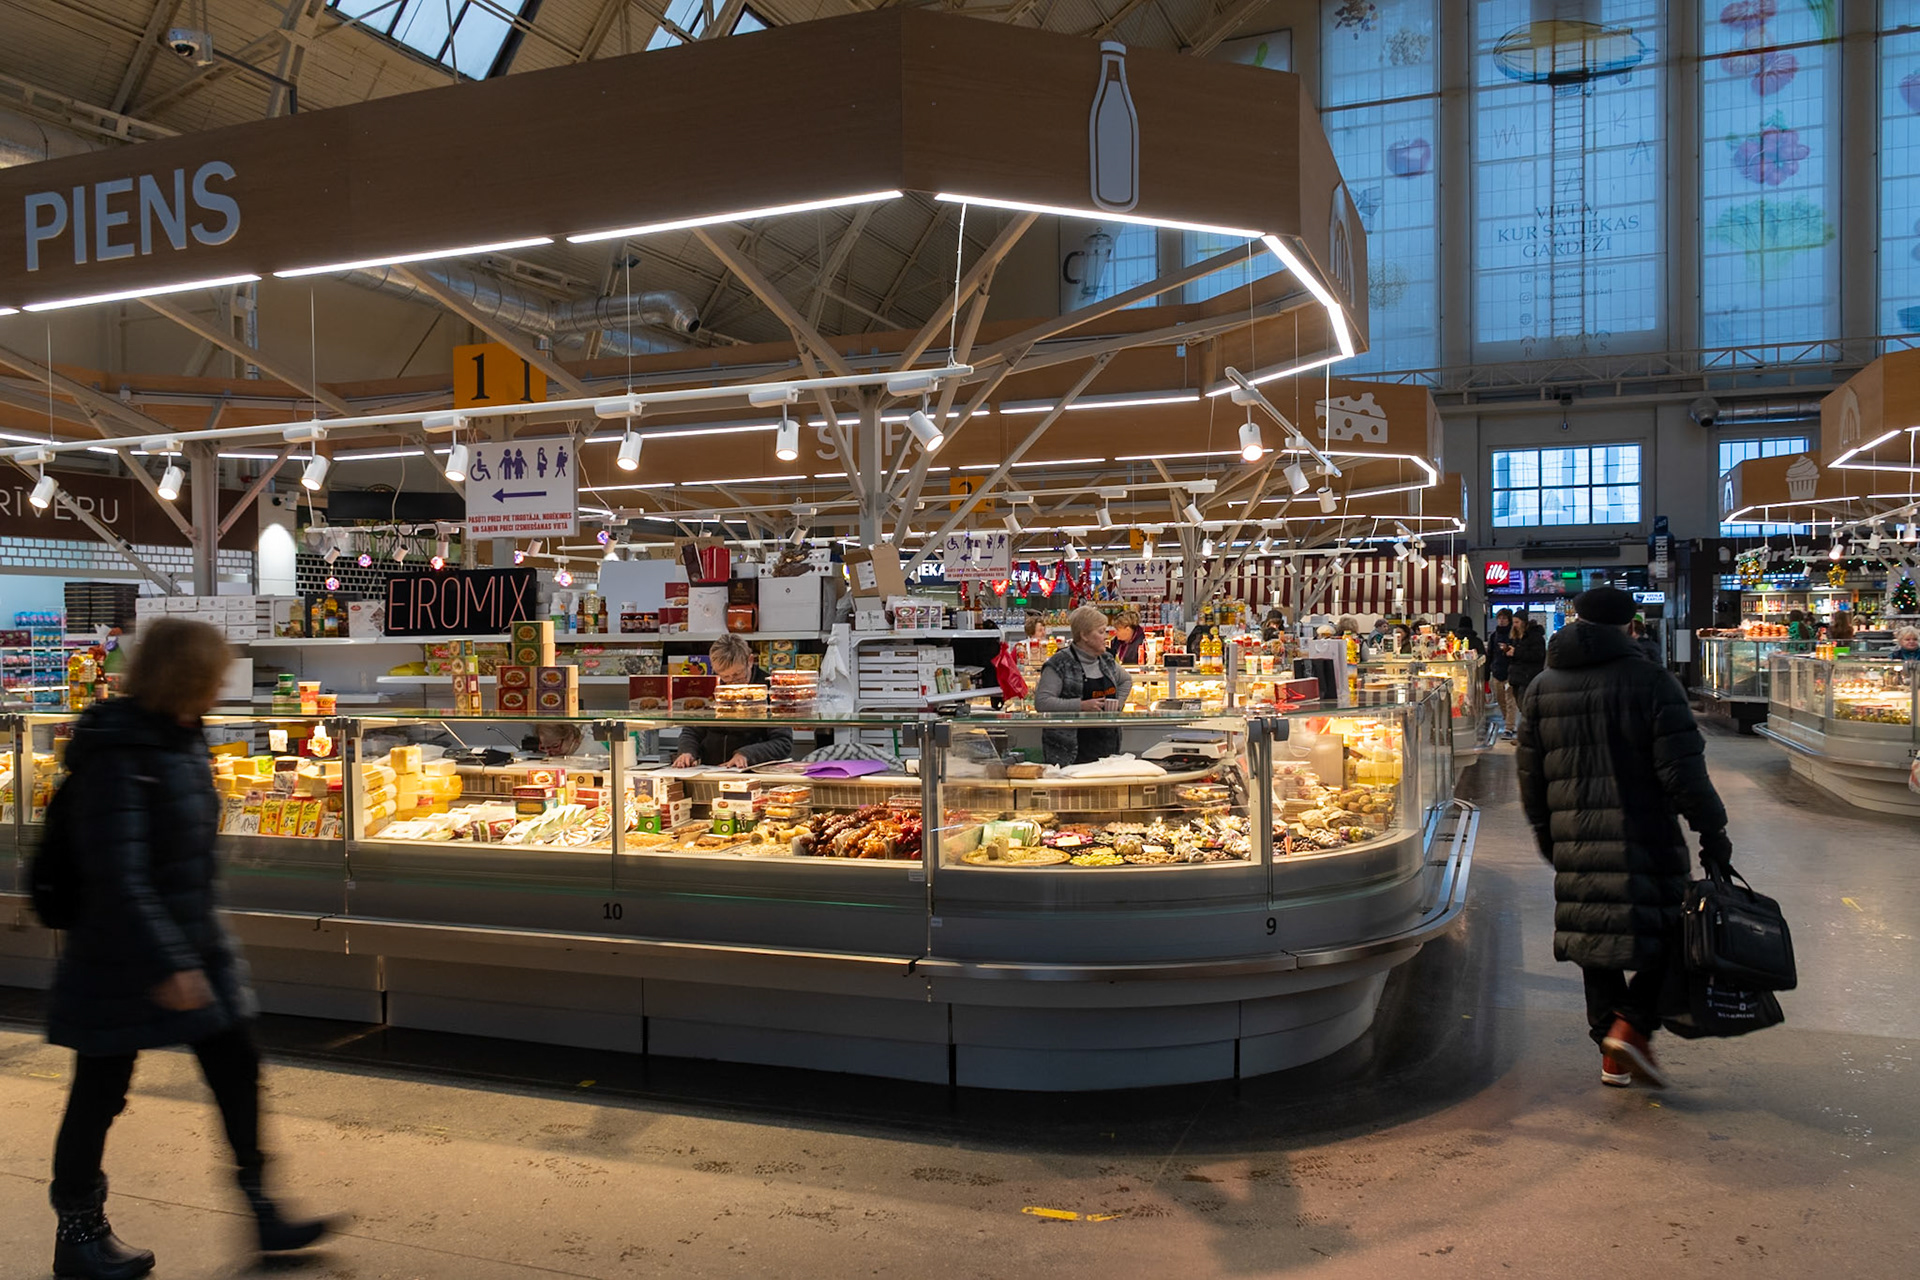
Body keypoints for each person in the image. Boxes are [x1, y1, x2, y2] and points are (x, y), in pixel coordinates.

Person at [46, 618, 338, 1279]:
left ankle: (264, 1211)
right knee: (100, 1090)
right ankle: (80, 1234)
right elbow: (119, 875)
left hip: (191, 941)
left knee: (238, 1068)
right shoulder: (120, 753)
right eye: (215, 671)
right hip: (122, 954)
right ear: (189, 675)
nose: (223, 682)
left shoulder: (180, 736)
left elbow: (182, 840)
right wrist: (170, 963)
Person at [1515, 587, 1732, 1091]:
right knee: (1677, 935)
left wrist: (1548, 834)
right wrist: (1712, 829)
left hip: (1571, 834)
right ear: (1631, 626)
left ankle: (1611, 1052)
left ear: (1575, 621)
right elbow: (1682, 770)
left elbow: (1530, 776)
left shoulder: (1543, 687)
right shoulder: (1653, 680)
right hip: (1645, 833)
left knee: (1595, 941)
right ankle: (1631, 1025)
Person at [672, 634, 793, 768]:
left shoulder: (773, 689)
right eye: (725, 676)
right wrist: (687, 752)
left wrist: (746, 754)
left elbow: (783, 742)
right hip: (712, 769)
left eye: (737, 675)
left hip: (755, 770)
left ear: (750, 661)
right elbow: (692, 730)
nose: (732, 682)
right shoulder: (711, 686)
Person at [1034, 605, 1133, 766]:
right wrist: (1080, 706)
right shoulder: (1060, 663)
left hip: (1107, 751)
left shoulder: (1106, 660)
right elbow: (1042, 702)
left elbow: (1126, 680)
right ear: (1084, 635)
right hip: (1069, 755)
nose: (1105, 637)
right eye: (1101, 632)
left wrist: (1117, 705)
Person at [1506, 612, 1546, 729]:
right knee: (1521, 706)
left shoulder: (1535, 637)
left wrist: (1516, 652)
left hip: (1528, 677)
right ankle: (1528, 734)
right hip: (1517, 677)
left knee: (1526, 707)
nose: (1514, 625)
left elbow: (1537, 656)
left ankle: (1529, 734)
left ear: (1524, 623)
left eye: (1517, 622)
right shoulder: (1517, 637)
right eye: (1513, 622)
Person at [1489, 608, 1516, 737]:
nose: (1501, 620)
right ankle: (1507, 722)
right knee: (1501, 700)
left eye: (1504, 618)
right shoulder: (1494, 635)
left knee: (1510, 700)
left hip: (1510, 672)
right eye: (1499, 618)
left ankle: (1509, 727)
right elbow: (1490, 653)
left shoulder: (1514, 635)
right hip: (1497, 672)